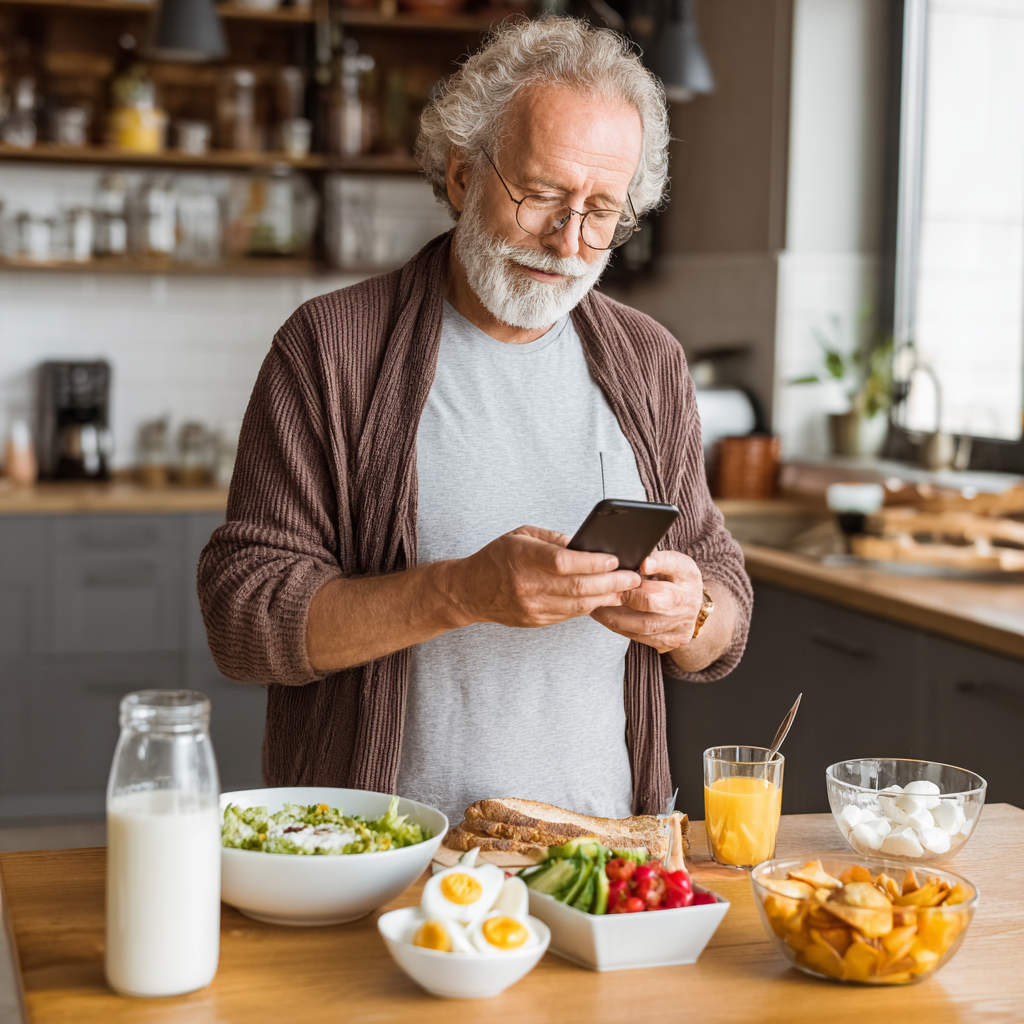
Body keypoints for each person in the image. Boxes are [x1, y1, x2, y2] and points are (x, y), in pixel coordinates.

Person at [198, 16, 752, 825]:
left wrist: (690, 616)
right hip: (377, 858)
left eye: (603, 210)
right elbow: (243, 617)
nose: (569, 241)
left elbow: (722, 599)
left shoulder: (650, 361)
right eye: (541, 195)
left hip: (599, 854)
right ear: (462, 174)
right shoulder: (332, 348)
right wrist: (460, 591)